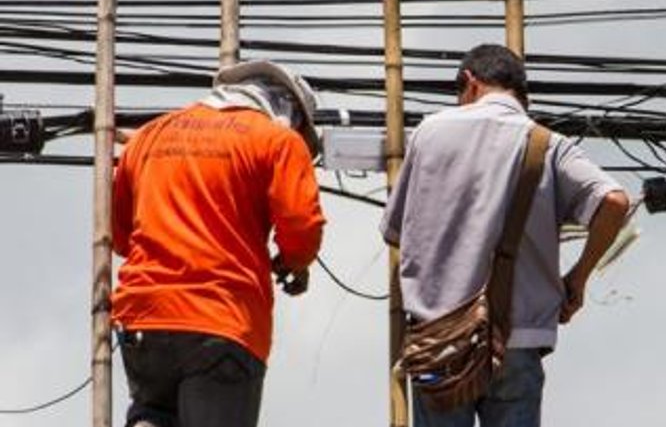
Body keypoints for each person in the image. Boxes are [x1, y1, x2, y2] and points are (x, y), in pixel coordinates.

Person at [381, 43, 638, 427]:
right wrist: (577, 278)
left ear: (469, 82)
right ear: (520, 93)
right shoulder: (547, 146)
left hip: (440, 343)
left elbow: (394, 231)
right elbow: (615, 202)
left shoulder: (430, 133)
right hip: (518, 340)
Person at [111, 60, 327, 427]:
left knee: (155, 415)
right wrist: (294, 262)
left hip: (144, 323)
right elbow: (302, 229)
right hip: (221, 323)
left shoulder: (150, 135)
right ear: (292, 114)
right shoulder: (277, 141)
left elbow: (120, 236)